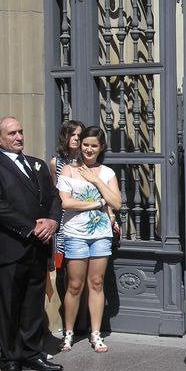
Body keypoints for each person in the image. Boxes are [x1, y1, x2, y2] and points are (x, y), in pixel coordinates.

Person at [0, 116, 63, 371]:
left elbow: (54, 197)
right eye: (12, 133)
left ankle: (31, 352)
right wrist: (32, 228)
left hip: (38, 248)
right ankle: (10, 359)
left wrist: (52, 221)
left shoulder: (37, 164)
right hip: (11, 247)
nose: (18, 137)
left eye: (21, 132)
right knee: (9, 305)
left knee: (32, 302)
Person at [57, 126, 121, 353]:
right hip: (75, 234)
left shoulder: (107, 173)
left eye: (94, 145)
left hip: (101, 234)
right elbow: (66, 203)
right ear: (79, 144)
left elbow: (117, 203)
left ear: (101, 147)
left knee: (96, 283)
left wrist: (97, 183)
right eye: (86, 144)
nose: (89, 149)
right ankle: (68, 333)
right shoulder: (68, 170)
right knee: (74, 285)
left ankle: (96, 333)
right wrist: (96, 203)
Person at [49, 120, 85, 270]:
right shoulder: (56, 162)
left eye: (79, 135)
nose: (76, 138)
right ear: (65, 136)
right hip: (63, 217)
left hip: (83, 213)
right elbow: (54, 190)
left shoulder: (86, 160)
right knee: (63, 263)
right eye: (72, 134)